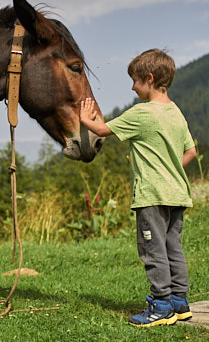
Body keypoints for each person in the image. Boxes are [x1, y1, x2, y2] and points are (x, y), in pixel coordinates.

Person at [80, 48, 198, 327]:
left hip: (152, 196)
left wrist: (86, 119)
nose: (132, 87)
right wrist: (170, 170)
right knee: (173, 248)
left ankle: (160, 306)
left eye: (135, 81)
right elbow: (191, 152)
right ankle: (179, 302)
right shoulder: (175, 112)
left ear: (149, 78)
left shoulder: (142, 114)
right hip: (177, 193)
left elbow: (102, 131)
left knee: (153, 250)